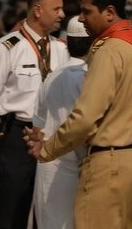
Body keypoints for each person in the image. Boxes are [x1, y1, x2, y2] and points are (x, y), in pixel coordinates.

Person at [26, 0, 132, 229]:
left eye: (86, 11)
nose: (81, 18)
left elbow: (84, 118)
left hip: (110, 166)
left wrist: (47, 149)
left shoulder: (109, 50)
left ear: (110, 12)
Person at [0, 0, 69, 229]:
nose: (62, 14)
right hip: (17, 135)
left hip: (49, 136)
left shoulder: (60, 49)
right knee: (13, 208)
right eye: (56, 8)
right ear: (38, 11)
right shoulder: (9, 47)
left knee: (47, 208)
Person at [31, 17, 91, 229]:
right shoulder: (89, 78)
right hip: (79, 166)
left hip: (50, 166)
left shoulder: (51, 77)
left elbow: (37, 125)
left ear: (67, 43)